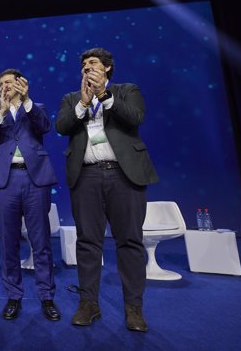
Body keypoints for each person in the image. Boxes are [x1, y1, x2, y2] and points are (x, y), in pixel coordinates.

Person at [55, 47, 158, 332]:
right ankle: (89, 304)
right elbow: (62, 127)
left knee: (129, 241)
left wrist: (103, 96)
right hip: (86, 176)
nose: (87, 67)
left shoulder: (126, 90)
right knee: (88, 242)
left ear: (108, 68)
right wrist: (84, 104)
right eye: (84, 64)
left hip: (124, 176)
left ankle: (133, 309)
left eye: (93, 63)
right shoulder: (71, 98)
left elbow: (135, 118)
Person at [0, 69, 60, 322]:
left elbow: (45, 126)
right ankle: (14, 295)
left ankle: (46, 296)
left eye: (9, 82)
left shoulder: (35, 107)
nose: (4, 86)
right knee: (9, 241)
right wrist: (3, 111)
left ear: (21, 84)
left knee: (41, 241)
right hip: (6, 180)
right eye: (1, 82)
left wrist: (27, 101)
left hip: (34, 178)